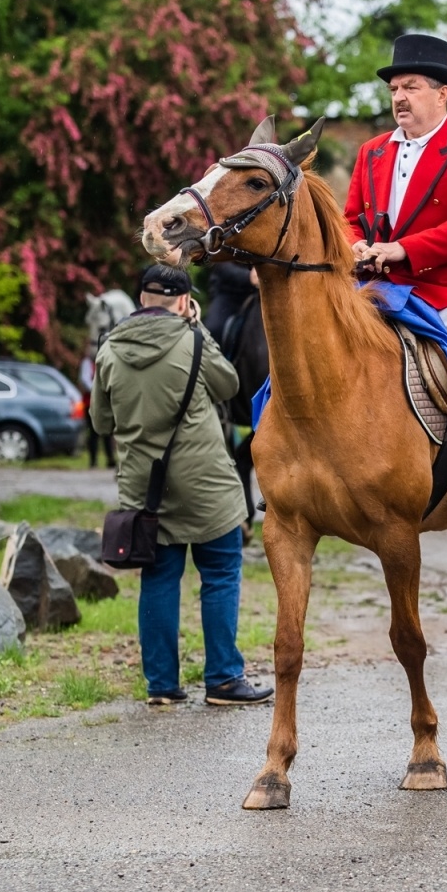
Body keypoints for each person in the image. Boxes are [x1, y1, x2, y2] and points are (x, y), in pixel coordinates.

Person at [343, 33, 447, 534]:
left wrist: (401, 249)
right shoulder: (371, 152)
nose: (398, 97)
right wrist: (355, 247)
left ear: (442, 93)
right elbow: (351, 216)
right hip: (377, 288)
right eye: (394, 87)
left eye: (410, 86)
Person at [90, 264, 275, 704]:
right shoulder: (193, 338)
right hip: (206, 483)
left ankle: (162, 687)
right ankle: (224, 680)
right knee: (220, 573)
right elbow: (229, 385)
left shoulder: (109, 348)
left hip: (144, 490)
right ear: (182, 301)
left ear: (141, 299)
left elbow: (100, 421)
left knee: (157, 579)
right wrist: (199, 332)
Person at [202, 261, 258, 360]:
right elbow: (221, 265)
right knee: (214, 329)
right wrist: (248, 276)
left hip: (259, 294)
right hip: (228, 293)